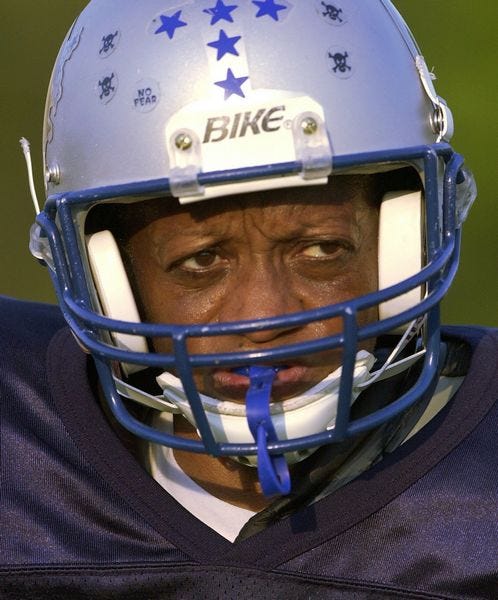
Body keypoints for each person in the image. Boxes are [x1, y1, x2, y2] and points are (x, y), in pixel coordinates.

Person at [2, 1, 496, 597]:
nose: (264, 316)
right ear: (109, 277)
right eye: (200, 261)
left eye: (320, 249)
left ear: (403, 239)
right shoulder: (19, 448)